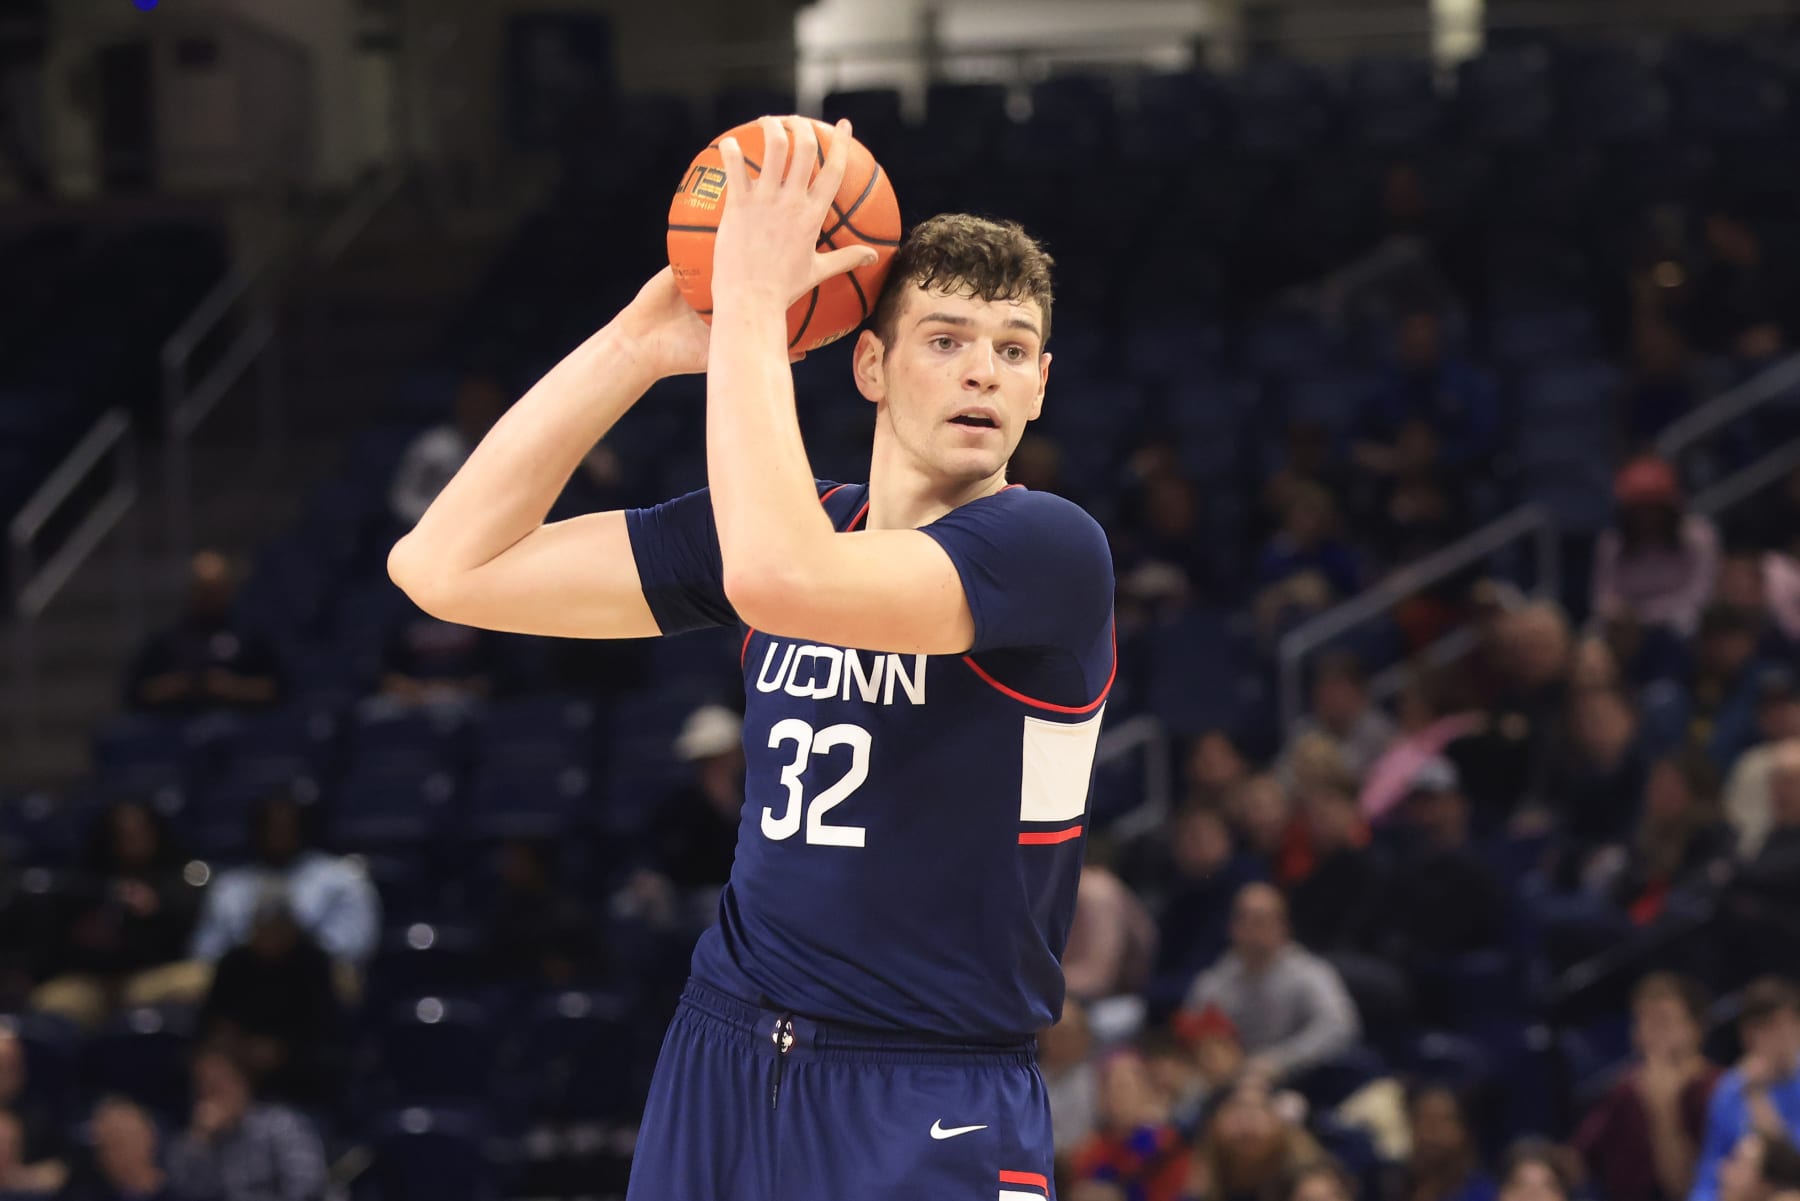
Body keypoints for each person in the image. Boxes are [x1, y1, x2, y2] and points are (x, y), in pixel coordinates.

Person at [386, 117, 1115, 1201]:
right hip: (723, 1052)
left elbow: (785, 580)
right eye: (947, 338)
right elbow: (443, 564)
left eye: (1012, 348)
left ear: (1041, 384)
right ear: (869, 362)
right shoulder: (801, 522)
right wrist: (637, 346)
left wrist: (747, 320)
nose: (983, 372)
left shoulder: (1047, 549)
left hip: (927, 1086)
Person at [1179, 883, 1361, 1083]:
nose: (1250, 929)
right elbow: (1191, 1029)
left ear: (1282, 926)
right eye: (1242, 918)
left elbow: (1339, 1026)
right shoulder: (1215, 980)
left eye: (1259, 921)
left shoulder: (1309, 973)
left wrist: (1278, 1061)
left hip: (1293, 1082)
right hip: (1226, 1084)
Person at [1574, 972, 1721, 1201]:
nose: (1653, 1032)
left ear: (1696, 1027)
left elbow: (1684, 1188)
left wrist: (1663, 1108)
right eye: (1643, 1020)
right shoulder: (1624, 1091)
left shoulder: (1719, 1089)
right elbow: (1579, 1161)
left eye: (1663, 1021)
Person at [189, 794, 380, 970]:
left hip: (316, 975)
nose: (277, 835)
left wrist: (289, 949)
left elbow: (355, 947)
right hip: (240, 977)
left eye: (285, 827)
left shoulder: (342, 879)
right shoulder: (229, 886)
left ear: (302, 828)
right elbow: (206, 949)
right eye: (270, 827)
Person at [124, 551, 284, 715]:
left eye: (215, 589)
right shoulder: (168, 640)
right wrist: (182, 685)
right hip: (177, 727)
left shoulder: (249, 637)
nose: (209, 597)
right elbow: (136, 692)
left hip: (240, 726)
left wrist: (233, 687)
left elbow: (278, 689)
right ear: (191, 591)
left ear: (228, 589)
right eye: (203, 589)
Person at [166, 1047, 328, 1201]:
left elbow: (307, 1188)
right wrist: (199, 1138)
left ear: (242, 1083)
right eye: (202, 1086)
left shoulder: (280, 1123)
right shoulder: (201, 1138)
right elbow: (183, 1191)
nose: (208, 1095)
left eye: (217, 1085)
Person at [1692, 978, 1800, 1201]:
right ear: (1748, 1036)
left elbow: (1792, 1170)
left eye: (1788, 1024)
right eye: (1768, 1028)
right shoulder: (1728, 1091)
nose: (1782, 1037)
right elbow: (1708, 1175)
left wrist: (1757, 1095)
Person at [1590, 456, 1721, 639]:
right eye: (1639, 509)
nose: (1647, 517)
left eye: (1654, 508)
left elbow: (1700, 596)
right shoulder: (1612, 543)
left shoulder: (1698, 536)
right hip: (1629, 632)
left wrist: (1646, 616)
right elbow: (1604, 598)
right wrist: (1622, 616)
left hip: (1683, 631)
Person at [388, 372, 509, 526]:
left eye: (484, 402)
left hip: (482, 527)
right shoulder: (433, 446)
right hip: (425, 526)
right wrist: (431, 519)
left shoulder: (502, 446)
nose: (477, 408)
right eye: (473, 400)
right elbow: (402, 495)